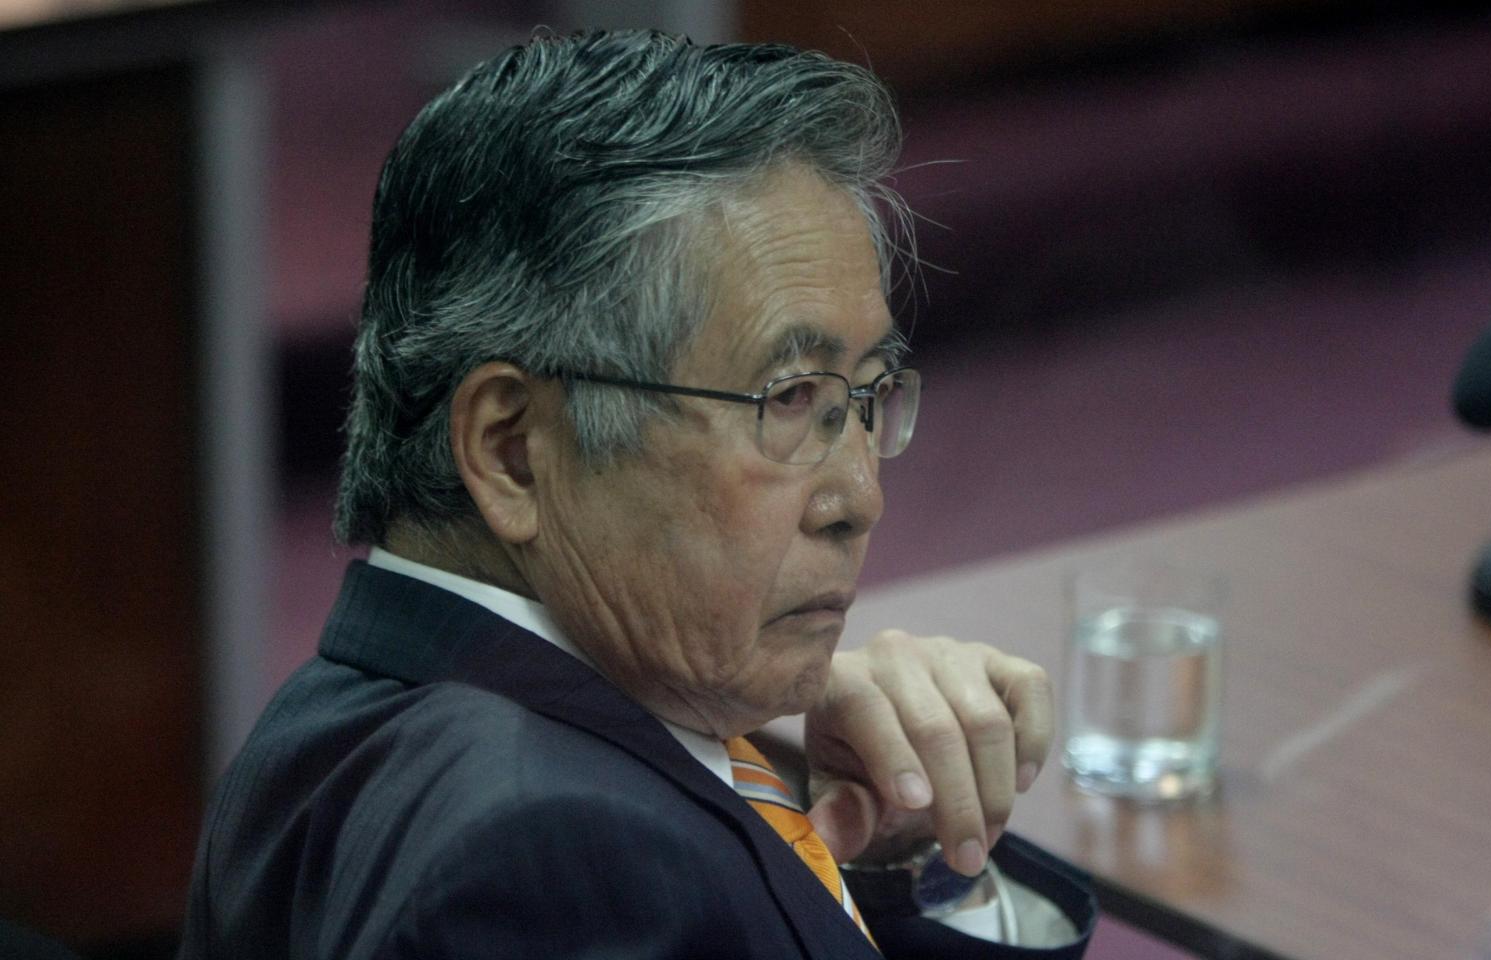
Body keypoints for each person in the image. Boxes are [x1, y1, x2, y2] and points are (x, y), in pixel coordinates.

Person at [180, 29, 1095, 959]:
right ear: (512, 451)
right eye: (788, 400)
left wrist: (907, 856)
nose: (861, 498)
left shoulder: (316, 730)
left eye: (862, 399)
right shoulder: (548, 863)